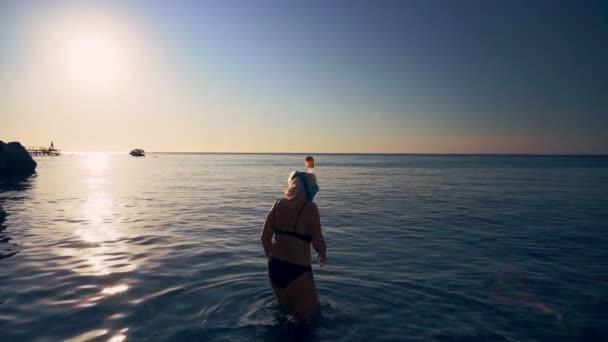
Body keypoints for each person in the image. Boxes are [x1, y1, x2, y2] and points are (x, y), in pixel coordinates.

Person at [261, 171, 327, 322]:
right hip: (298, 272)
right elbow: (318, 241)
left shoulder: (277, 205)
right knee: (309, 321)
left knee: (284, 316)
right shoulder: (310, 208)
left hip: (275, 269)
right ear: (308, 189)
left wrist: (275, 259)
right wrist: (322, 253)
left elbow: (264, 238)